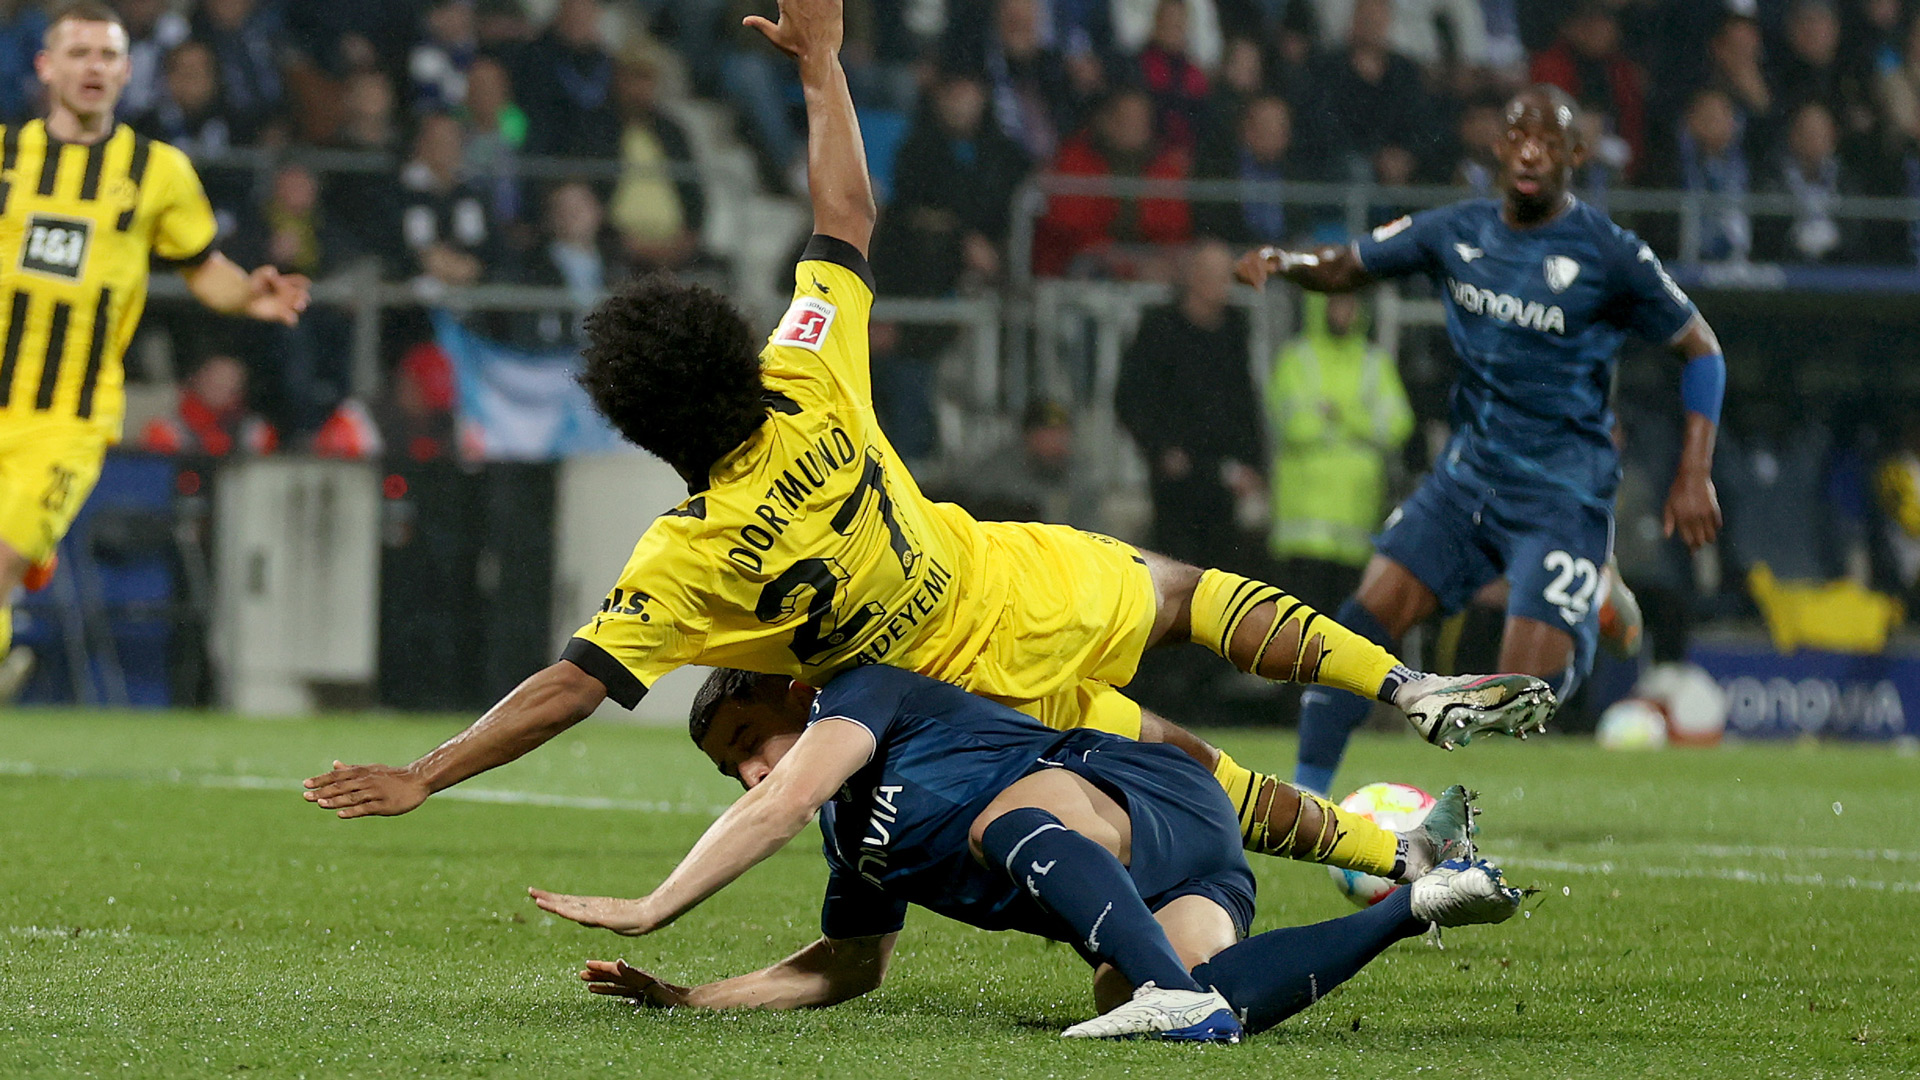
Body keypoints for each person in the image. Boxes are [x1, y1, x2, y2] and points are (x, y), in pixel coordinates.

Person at [305, 0, 1552, 893]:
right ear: (733, 353)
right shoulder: (803, 370)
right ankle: (1403, 688)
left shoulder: (687, 559)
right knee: (1185, 596)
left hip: (960, 705)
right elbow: (845, 211)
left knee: (1183, 769)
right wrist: (823, 68)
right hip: (1008, 578)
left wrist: (431, 770)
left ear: (642, 427)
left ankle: (1398, 861)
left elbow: (567, 688)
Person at [529, 665, 1524, 1040]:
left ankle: (1164, 996)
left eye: (751, 742)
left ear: (793, 698)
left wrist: (655, 903)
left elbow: (783, 803)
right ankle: (1418, 902)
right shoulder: (851, 843)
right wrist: (691, 999)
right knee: (1170, 1000)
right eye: (732, 769)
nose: (754, 774)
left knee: (1004, 818)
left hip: (1142, 791)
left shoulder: (866, 696)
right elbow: (846, 969)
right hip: (1184, 875)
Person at [1237, 84, 1725, 795]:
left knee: (1521, 694)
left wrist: (1695, 471)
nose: (1531, 150)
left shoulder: (1610, 254)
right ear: (1499, 148)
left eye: (1549, 141)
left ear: (1574, 157)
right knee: (1351, 633)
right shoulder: (1455, 230)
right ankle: (1304, 808)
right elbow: (1348, 264)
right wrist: (1285, 263)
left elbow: (1702, 349)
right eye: (1519, 136)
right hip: (1468, 481)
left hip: (1563, 492)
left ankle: (1591, 593)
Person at [0, 1, 310, 699]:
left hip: (68, 417)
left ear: (126, 72)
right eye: (78, 53)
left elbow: (203, 265)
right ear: (46, 67)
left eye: (107, 55)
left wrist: (247, 293)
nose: (93, 67)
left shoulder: (155, 172)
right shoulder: (6, 157)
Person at [1265, 291, 1412, 615]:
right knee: (1297, 632)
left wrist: (1338, 415)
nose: (1344, 311)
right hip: (1303, 531)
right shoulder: (1297, 357)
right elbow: (1294, 426)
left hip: (1354, 528)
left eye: (1351, 302)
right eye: (1337, 303)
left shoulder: (1374, 361)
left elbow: (1399, 426)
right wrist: (1361, 425)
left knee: (1340, 637)